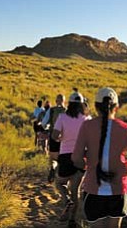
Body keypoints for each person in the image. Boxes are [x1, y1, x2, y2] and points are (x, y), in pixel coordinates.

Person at [72, 87, 127, 228]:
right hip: (118, 191)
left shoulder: (87, 126)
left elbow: (76, 158)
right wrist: (125, 167)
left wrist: (86, 165)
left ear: (95, 106)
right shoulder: (126, 129)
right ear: (116, 107)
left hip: (93, 190)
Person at [52, 89, 91, 226]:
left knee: (59, 183)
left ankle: (66, 199)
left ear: (69, 104)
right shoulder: (87, 119)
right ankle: (72, 221)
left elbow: (55, 136)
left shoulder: (62, 117)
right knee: (76, 191)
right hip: (81, 158)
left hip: (65, 156)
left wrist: (63, 138)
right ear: (82, 104)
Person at [41, 93, 66, 183]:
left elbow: (44, 123)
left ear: (56, 101)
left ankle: (53, 168)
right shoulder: (67, 111)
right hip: (64, 138)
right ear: (64, 101)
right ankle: (61, 178)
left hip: (53, 136)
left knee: (53, 158)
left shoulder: (51, 110)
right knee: (63, 158)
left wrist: (48, 128)